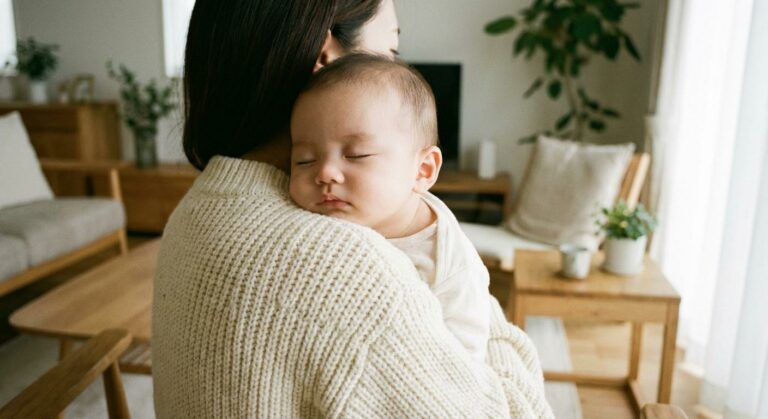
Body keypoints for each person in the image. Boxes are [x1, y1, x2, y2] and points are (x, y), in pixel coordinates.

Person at [152, 0, 554, 417]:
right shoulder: (353, 278)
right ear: (324, 57)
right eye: (391, 51)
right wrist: (490, 317)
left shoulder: (200, 207)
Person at [289, 54, 490, 363]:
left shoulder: (448, 264)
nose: (325, 173)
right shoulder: (304, 223)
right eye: (304, 159)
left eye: (356, 155)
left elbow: (465, 366)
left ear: (423, 170)